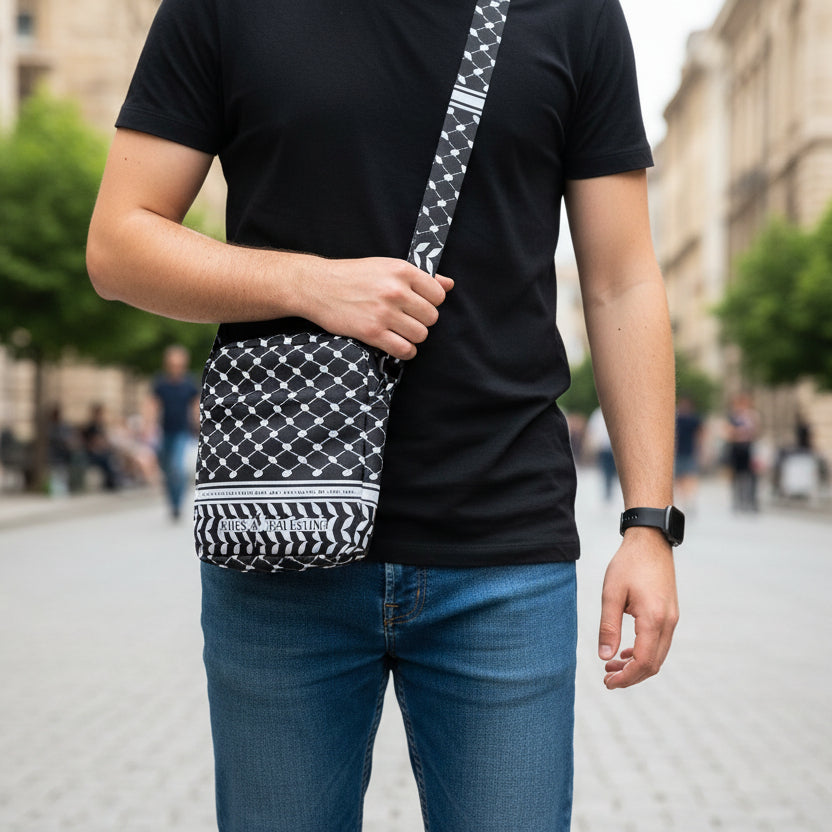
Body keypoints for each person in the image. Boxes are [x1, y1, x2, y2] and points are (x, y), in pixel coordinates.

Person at [86, 1, 679, 829]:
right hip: (278, 540)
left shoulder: (573, 12)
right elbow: (119, 244)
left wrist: (650, 523)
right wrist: (308, 283)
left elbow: (622, 278)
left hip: (502, 551)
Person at [149, 344, 199, 519]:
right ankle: (172, 501)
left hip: (181, 432)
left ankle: (177, 504)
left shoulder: (189, 383)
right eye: (172, 363)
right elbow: (153, 405)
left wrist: (199, 423)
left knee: (177, 467)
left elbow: (195, 406)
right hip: (164, 432)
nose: (176, 367)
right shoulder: (160, 383)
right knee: (167, 469)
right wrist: (148, 427)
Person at [726, 393, 760, 512]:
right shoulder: (733, 417)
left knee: (750, 476)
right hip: (736, 449)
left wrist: (740, 432)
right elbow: (729, 433)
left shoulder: (751, 416)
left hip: (748, 449)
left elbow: (754, 432)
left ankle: (749, 501)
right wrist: (740, 433)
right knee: (736, 475)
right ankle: (737, 501)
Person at [80, 403, 120, 491]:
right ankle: (111, 482)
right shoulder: (90, 427)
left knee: (112, 457)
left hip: (102, 452)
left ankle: (115, 480)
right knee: (105, 459)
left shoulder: (100, 427)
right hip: (92, 454)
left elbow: (105, 441)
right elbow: (91, 443)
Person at [674, 395, 703, 513]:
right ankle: (683, 500)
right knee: (679, 478)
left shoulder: (694, 419)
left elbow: (700, 434)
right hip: (678, 452)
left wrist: (700, 449)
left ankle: (689, 499)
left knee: (690, 477)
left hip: (690, 451)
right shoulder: (677, 418)